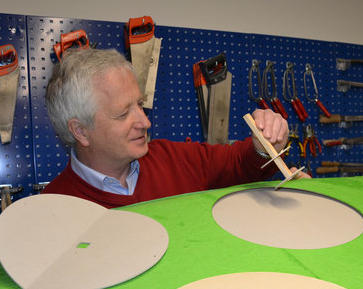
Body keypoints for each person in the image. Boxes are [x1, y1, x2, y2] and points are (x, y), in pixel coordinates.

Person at [41, 47, 302, 208]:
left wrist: (265, 146)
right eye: (123, 114)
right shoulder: (53, 210)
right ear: (81, 131)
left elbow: (238, 164)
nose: (145, 122)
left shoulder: (173, 160)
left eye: (140, 105)